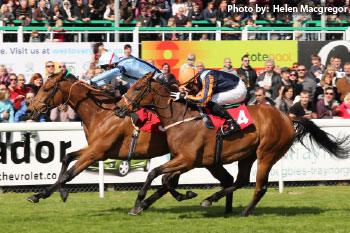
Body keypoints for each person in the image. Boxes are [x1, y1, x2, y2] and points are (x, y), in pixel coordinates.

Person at [171, 67, 247, 135]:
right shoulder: (199, 77)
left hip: (238, 89)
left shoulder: (208, 78)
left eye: (189, 86)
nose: (189, 89)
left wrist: (185, 97)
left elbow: (203, 100)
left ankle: (232, 123)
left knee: (210, 100)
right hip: (230, 87)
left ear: (195, 81)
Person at [82, 51, 161, 88]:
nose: (105, 69)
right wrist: (93, 84)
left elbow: (109, 73)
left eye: (105, 67)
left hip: (160, 80)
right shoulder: (120, 68)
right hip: (150, 86)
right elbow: (107, 79)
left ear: (112, 64)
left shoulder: (125, 62)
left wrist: (91, 80)